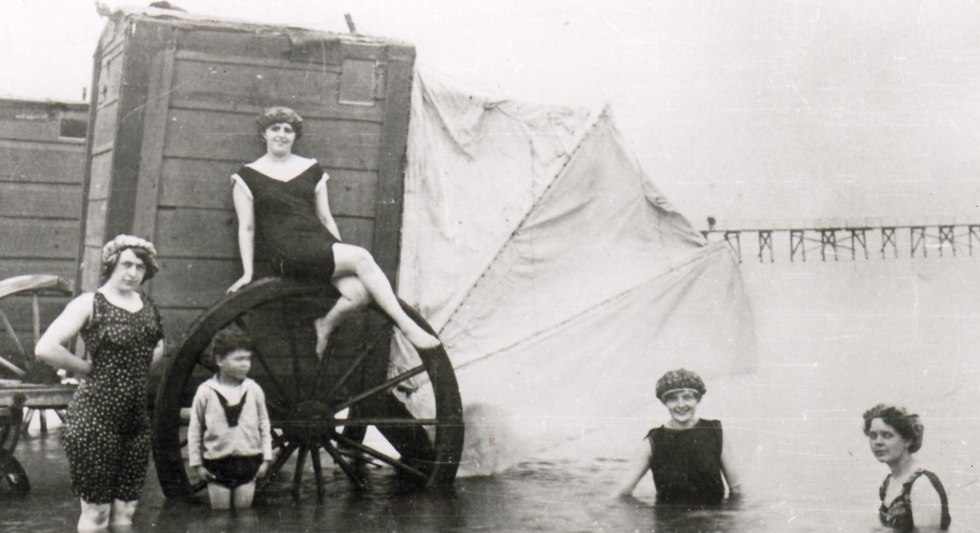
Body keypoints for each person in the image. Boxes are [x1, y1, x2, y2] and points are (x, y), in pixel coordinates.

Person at [226, 106, 439, 358]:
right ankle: (405, 326)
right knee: (361, 257)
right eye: (275, 129)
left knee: (359, 293)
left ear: (295, 136)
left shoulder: (311, 169)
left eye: (288, 130)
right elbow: (247, 227)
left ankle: (324, 326)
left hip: (318, 244)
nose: (282, 135)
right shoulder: (247, 177)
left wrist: (339, 254)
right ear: (264, 134)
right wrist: (248, 272)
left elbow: (325, 218)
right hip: (285, 250)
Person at [35, 235, 166, 531]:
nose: (133, 273)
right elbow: (45, 347)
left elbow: (159, 345)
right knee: (96, 514)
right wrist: (86, 368)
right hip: (95, 420)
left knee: (125, 514)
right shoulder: (90, 303)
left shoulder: (147, 305)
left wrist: (136, 371)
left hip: (135, 422)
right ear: (111, 265)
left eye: (140, 267)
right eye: (126, 265)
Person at [616, 368, 740, 506]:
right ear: (664, 402)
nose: (681, 405)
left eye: (687, 397)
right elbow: (622, 494)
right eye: (673, 399)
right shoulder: (652, 442)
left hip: (712, 521)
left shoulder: (715, 432)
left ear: (697, 399)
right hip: (669, 523)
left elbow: (737, 490)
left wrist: (729, 522)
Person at [187, 325, 272, 510]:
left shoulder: (253, 389)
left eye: (248, 359)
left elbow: (264, 424)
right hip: (217, 463)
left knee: (244, 517)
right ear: (220, 360)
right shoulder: (205, 392)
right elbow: (194, 430)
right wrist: (197, 465)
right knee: (220, 518)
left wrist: (266, 459)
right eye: (239, 359)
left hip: (248, 461)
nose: (246, 364)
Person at [863, 403, 951, 530]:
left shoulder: (921, 484)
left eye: (887, 435)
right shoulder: (889, 482)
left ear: (907, 440)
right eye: (873, 436)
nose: (878, 442)